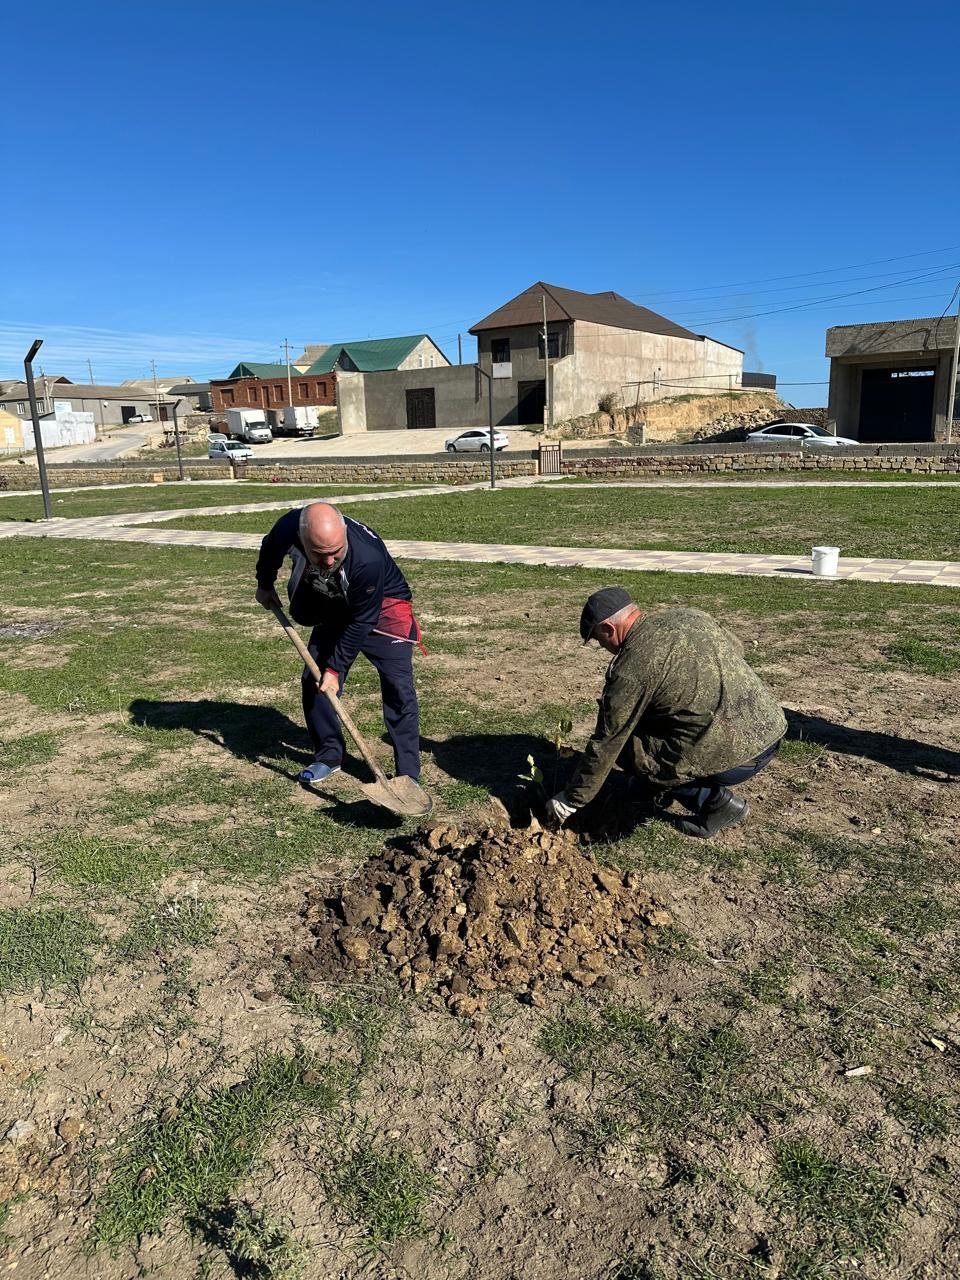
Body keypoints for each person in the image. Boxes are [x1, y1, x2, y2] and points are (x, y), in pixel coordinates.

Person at [546, 587, 786, 838]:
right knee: (650, 726)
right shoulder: (690, 616)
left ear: (608, 629)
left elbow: (608, 740)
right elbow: (736, 649)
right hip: (771, 729)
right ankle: (655, 788)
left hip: (738, 757)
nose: (603, 646)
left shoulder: (630, 668)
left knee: (631, 748)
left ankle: (716, 804)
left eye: (598, 639)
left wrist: (572, 799)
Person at [255, 502, 423, 784]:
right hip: (336, 602)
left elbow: (362, 621)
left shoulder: (368, 559)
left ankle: (408, 774)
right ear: (304, 540)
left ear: (344, 534)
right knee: (314, 680)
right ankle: (329, 755)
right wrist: (265, 583)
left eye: (336, 553)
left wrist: (335, 669)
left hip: (382, 607)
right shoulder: (290, 526)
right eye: (321, 555)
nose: (330, 561)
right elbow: (271, 547)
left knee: (398, 687)